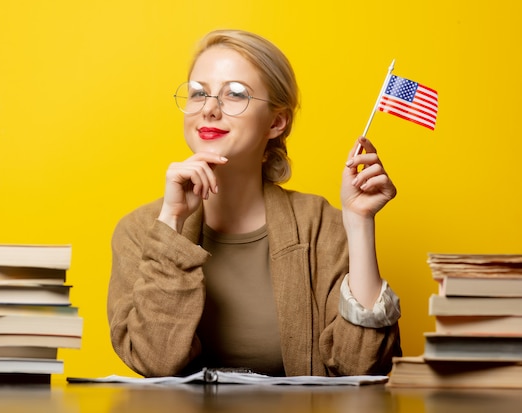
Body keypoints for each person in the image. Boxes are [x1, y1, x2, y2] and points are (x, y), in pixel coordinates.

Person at [107, 29, 401, 378]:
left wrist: (359, 223)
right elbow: (154, 361)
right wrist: (171, 222)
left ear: (276, 122)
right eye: (199, 93)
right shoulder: (141, 230)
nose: (209, 110)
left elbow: (363, 367)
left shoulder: (321, 223)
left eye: (235, 95)